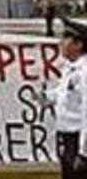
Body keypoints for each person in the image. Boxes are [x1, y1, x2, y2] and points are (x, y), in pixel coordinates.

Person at [41, 17, 87, 178]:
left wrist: (84, 152)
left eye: (66, 38)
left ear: (78, 44)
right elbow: (65, 92)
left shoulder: (84, 72)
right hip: (66, 138)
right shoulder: (70, 68)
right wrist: (48, 97)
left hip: (78, 140)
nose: (61, 42)